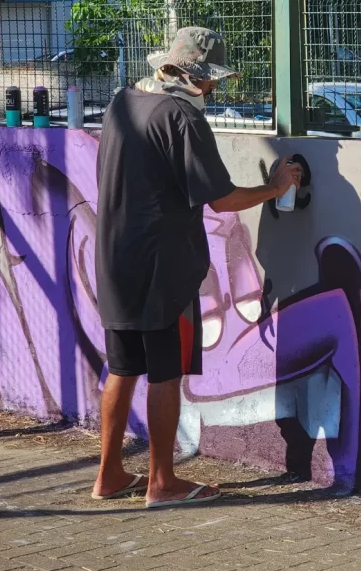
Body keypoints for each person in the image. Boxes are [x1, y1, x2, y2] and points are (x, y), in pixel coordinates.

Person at [91, 27, 302, 508]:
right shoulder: (182, 117)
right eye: (212, 80)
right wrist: (274, 188)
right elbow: (222, 199)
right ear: (199, 77)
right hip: (162, 268)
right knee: (165, 373)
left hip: (115, 259)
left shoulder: (123, 102)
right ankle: (162, 482)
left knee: (122, 367)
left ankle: (108, 475)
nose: (213, 88)